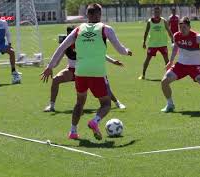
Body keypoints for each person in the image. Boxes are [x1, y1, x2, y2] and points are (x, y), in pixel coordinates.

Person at [41, 3, 132, 140]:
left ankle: (73, 131)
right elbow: (119, 49)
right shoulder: (105, 29)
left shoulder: (78, 29)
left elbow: (62, 47)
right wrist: (126, 51)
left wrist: (50, 66)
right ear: (99, 14)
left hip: (80, 72)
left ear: (87, 15)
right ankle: (94, 121)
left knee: (79, 103)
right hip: (97, 73)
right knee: (106, 104)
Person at [43, 26, 126, 112]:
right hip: (71, 70)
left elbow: (99, 54)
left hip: (85, 70)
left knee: (105, 89)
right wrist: (50, 67)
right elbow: (57, 61)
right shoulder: (65, 45)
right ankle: (51, 106)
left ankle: (117, 103)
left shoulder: (84, 42)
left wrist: (113, 61)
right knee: (56, 80)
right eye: (69, 34)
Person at [139, 6, 173, 80]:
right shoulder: (149, 21)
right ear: (153, 12)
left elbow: (169, 31)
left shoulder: (163, 21)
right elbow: (146, 32)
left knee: (167, 60)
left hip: (162, 44)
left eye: (158, 12)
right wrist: (144, 42)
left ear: (160, 12)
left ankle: (169, 75)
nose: (157, 13)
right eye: (155, 12)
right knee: (147, 60)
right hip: (152, 44)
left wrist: (172, 40)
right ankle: (143, 75)